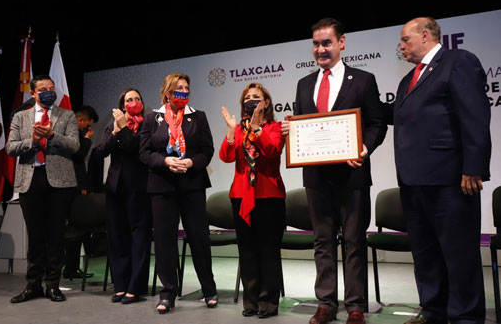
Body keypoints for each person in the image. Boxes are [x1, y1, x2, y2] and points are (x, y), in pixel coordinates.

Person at [281, 18, 387, 324]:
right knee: (322, 242)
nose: (320, 49)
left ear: (341, 43)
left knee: (354, 241)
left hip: (352, 176)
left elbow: (376, 123)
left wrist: (364, 149)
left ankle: (355, 306)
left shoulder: (364, 80)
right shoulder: (304, 84)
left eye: (326, 42)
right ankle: (325, 303)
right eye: (315, 44)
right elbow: (303, 126)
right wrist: (291, 130)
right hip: (316, 178)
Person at [389, 17, 491, 324]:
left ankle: (465, 318)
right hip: (414, 182)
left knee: (459, 256)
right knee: (426, 255)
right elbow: (402, 118)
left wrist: (473, 168)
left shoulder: (458, 61)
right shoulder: (407, 79)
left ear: (425, 35)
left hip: (451, 180)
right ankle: (433, 312)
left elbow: (475, 115)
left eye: (405, 39)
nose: (401, 46)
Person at [139, 73, 217, 314]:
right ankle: (168, 292)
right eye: (178, 88)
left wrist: (192, 162)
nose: (183, 92)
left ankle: (209, 289)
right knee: (164, 241)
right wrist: (165, 161)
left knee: (199, 238)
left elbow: (207, 150)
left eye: (186, 88)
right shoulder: (153, 118)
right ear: (167, 92)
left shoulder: (198, 116)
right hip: (162, 186)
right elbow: (144, 153)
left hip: (192, 184)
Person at [6, 74, 79, 303]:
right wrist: (34, 141)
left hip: (60, 183)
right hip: (31, 179)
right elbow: (10, 148)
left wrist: (53, 135)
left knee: (56, 236)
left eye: (52, 88)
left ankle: (53, 285)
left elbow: (75, 146)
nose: (49, 92)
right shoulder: (20, 117)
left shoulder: (66, 115)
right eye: (44, 89)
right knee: (36, 236)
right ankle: (33, 285)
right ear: (33, 94)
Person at [220, 83, 286, 318]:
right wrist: (230, 130)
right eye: (247, 97)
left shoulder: (276, 128)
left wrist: (257, 130)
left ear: (266, 103)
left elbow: (272, 150)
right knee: (246, 251)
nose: (251, 100)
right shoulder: (239, 129)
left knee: (268, 251)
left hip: (269, 196)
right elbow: (226, 156)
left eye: (256, 97)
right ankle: (251, 302)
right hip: (240, 196)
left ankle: (268, 302)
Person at [99, 88, 152, 304]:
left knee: (139, 238)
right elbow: (100, 151)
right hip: (115, 188)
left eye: (137, 98)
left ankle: (135, 287)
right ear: (122, 105)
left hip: (140, 188)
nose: (134, 102)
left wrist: (122, 129)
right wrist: (114, 133)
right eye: (129, 99)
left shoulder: (148, 124)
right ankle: (120, 285)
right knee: (117, 237)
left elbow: (138, 149)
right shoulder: (112, 124)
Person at [63, 105, 100, 280]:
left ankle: (71, 268)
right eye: (87, 125)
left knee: (77, 230)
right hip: (70, 188)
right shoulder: (71, 135)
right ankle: (66, 268)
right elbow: (78, 157)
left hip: (77, 187)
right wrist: (86, 139)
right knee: (73, 230)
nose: (88, 129)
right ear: (81, 120)